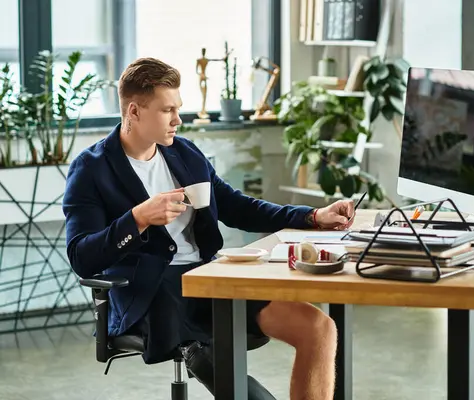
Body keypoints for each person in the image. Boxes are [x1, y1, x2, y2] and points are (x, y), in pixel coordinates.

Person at [62, 57, 355, 400]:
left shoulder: (185, 153)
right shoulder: (91, 169)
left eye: (178, 108)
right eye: (166, 110)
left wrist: (312, 215)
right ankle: (196, 353)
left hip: (211, 279)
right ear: (134, 111)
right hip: (152, 293)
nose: (177, 119)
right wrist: (138, 217)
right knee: (206, 351)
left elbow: (238, 207)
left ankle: (201, 351)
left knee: (319, 329)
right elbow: (82, 256)